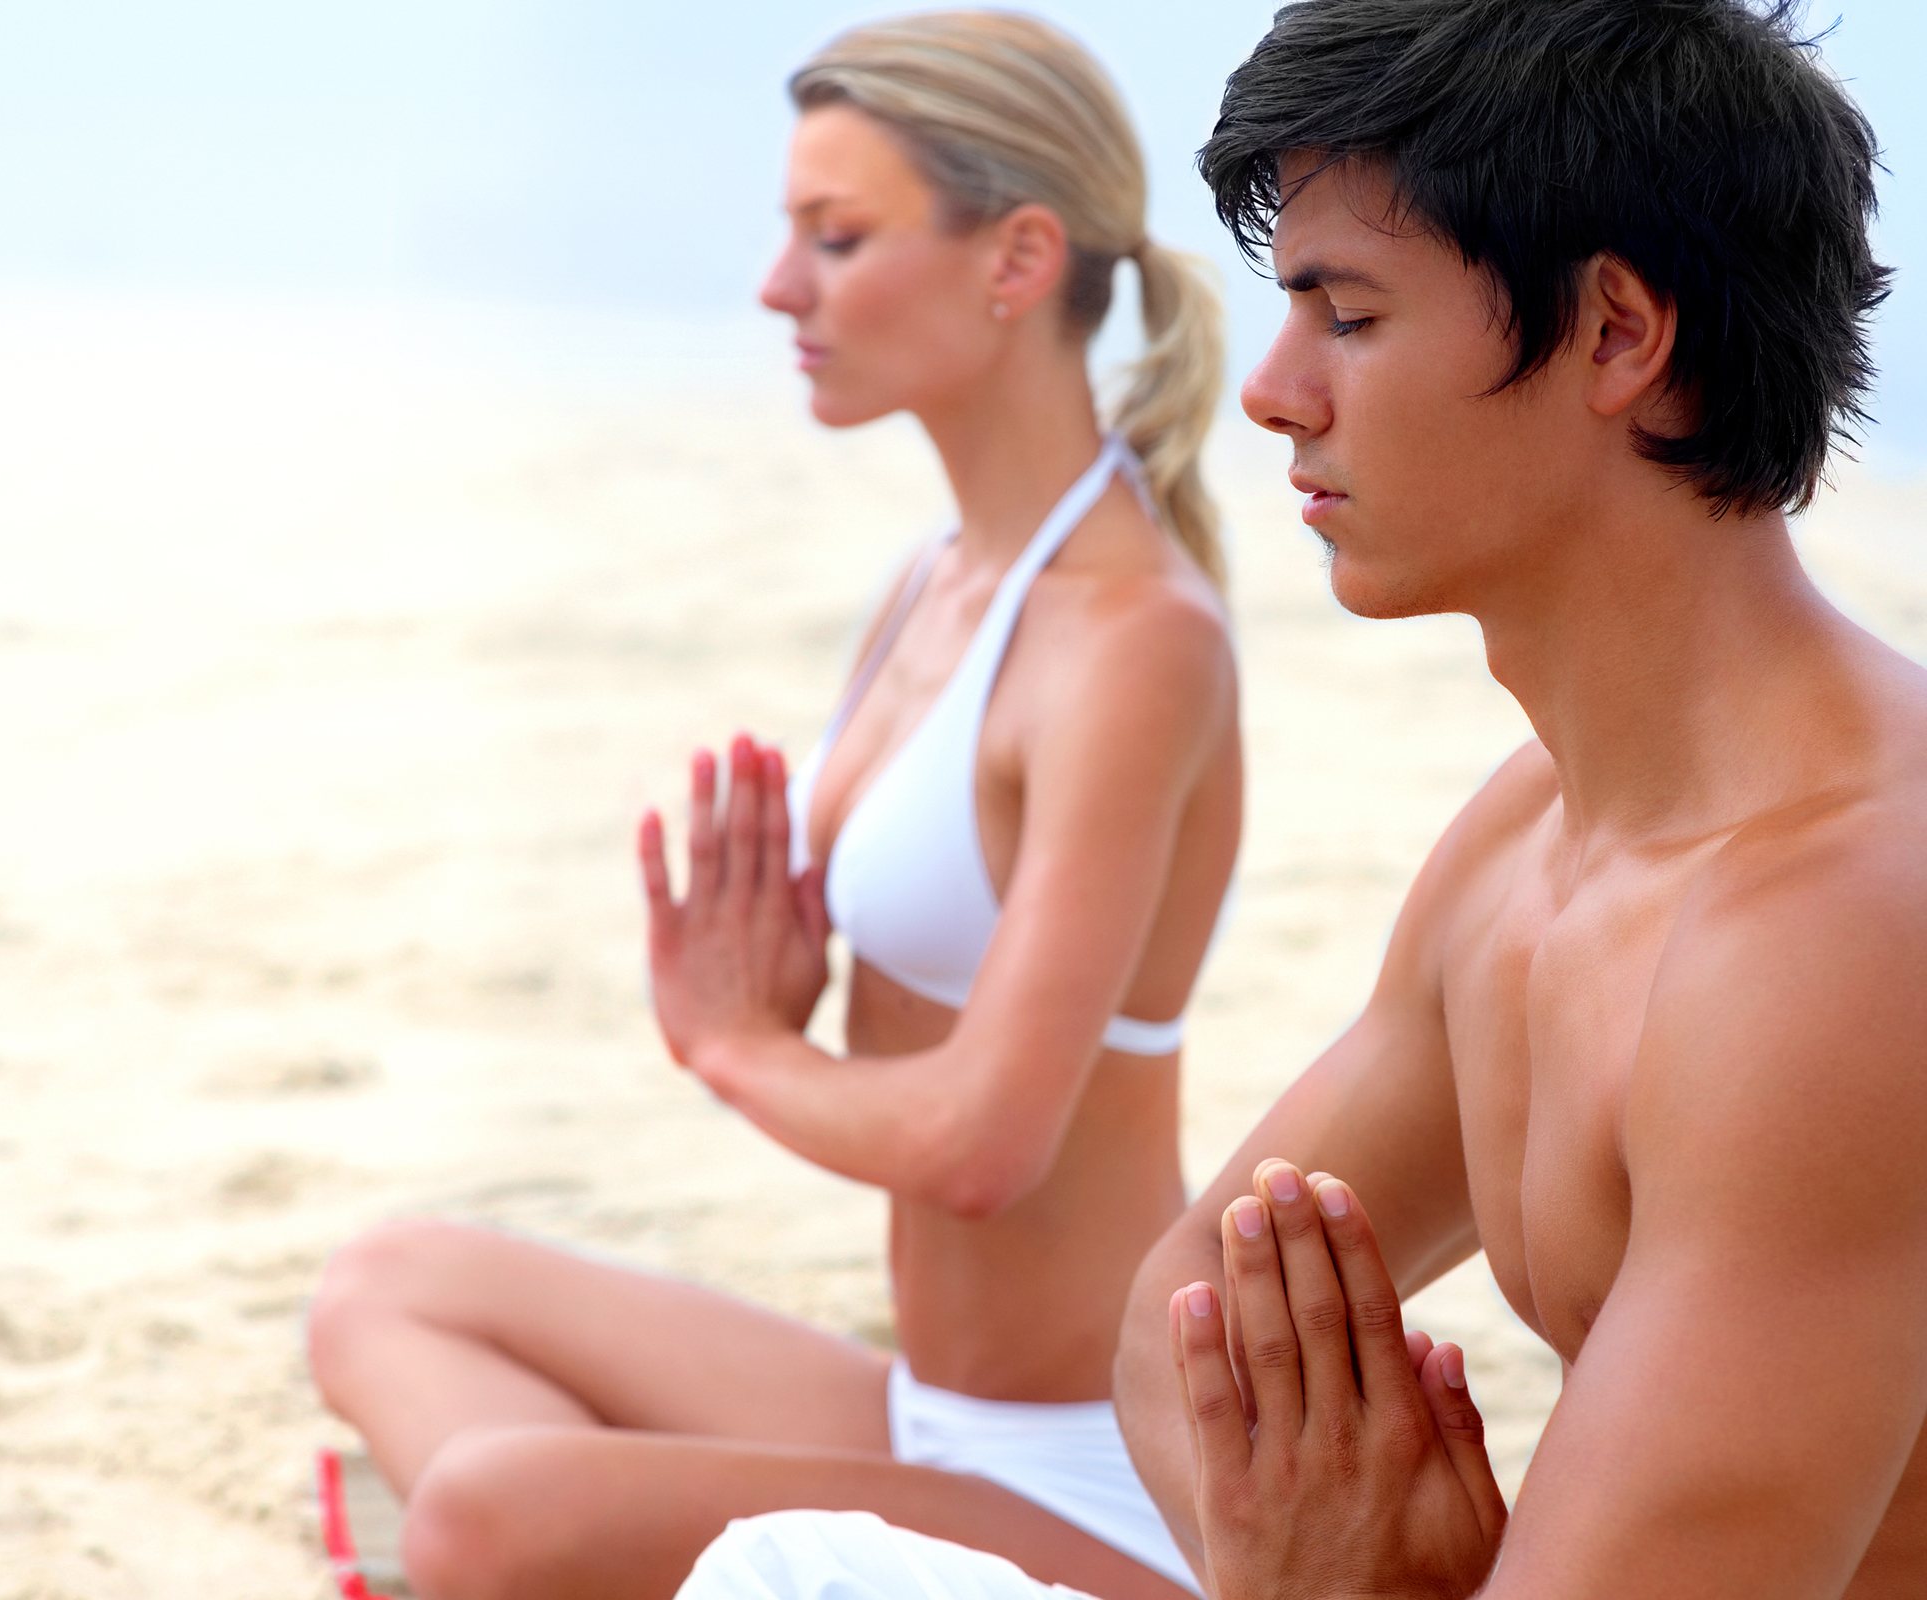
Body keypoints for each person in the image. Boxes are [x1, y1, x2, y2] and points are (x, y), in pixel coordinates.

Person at [678, 0, 1927, 1596]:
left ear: (1617, 335)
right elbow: (1173, 1320)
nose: (1271, 393)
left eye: (1347, 314)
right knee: (786, 1569)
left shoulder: (1835, 937)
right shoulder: (1527, 843)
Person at [305, 11, 1240, 1597]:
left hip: (1095, 1484)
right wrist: (784, 968)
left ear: (1017, 259)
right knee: (386, 1287)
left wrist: (741, 1047)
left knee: (480, 1511)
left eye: (836, 237)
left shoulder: (1136, 636)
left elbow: (981, 1143)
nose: (775, 286)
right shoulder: (938, 579)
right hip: (928, 1419)